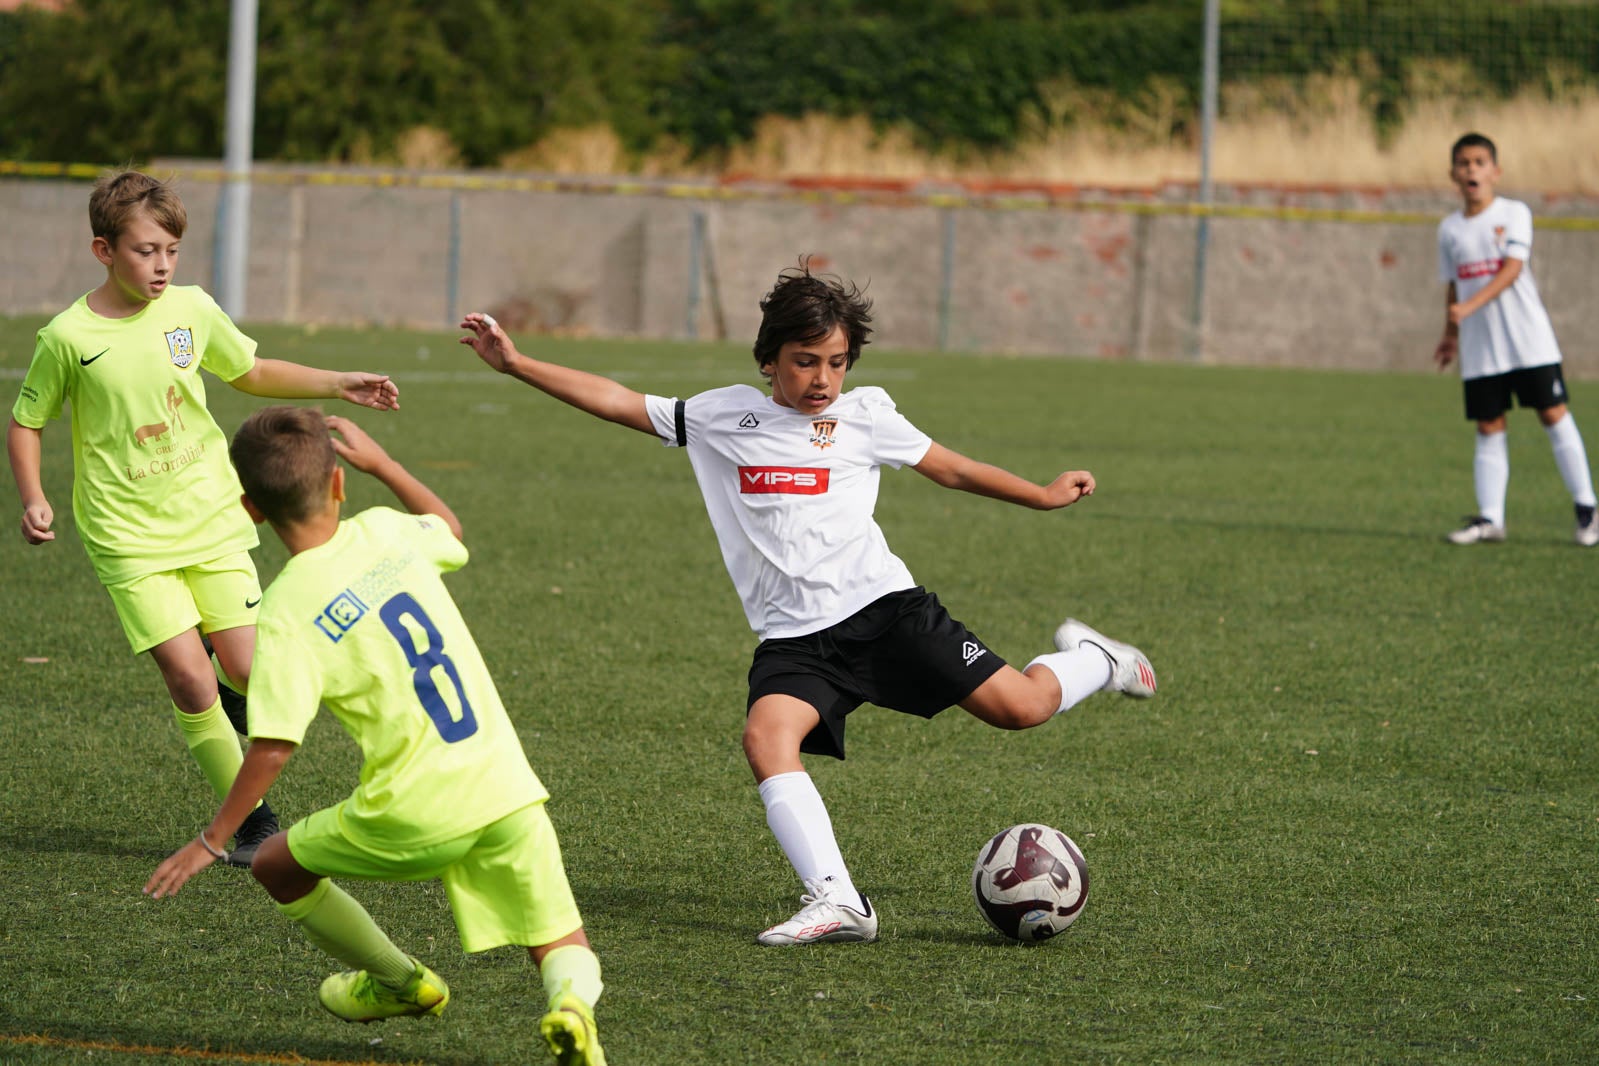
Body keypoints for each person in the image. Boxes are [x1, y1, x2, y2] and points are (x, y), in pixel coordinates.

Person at [457, 262, 1156, 946]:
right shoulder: (719, 415)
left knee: (1022, 709)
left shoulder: (865, 417)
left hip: (887, 614)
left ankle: (1096, 659)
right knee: (765, 738)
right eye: (804, 361)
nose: (821, 378)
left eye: (835, 362)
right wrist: (516, 364)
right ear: (768, 359)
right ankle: (838, 899)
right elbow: (615, 398)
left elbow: (951, 468)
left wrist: (1039, 493)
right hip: (794, 641)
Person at [144, 407, 606, 1065]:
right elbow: (449, 528)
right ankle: (570, 1009)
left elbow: (274, 745)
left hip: (414, 808)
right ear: (339, 483)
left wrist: (212, 840)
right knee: (560, 938)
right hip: (503, 782)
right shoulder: (388, 532)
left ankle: (401, 983)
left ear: (249, 509)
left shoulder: (284, 611)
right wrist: (385, 465)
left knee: (276, 864)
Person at [6, 170, 401, 864]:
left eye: (171, 251)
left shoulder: (190, 309)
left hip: (210, 516)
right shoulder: (68, 336)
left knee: (250, 673)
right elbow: (26, 420)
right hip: (126, 534)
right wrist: (32, 495)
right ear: (103, 251)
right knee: (188, 679)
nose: (160, 266)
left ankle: (230, 690)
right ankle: (252, 826)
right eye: (144, 251)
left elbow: (247, 370)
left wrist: (337, 381)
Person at [1433, 132, 1598, 546]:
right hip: (1480, 347)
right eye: (1464, 163)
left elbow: (1511, 270)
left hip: (1528, 341)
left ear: (1495, 171)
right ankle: (1490, 518)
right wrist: (1450, 335)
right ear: (1453, 173)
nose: (1471, 169)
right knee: (1489, 425)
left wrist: (1469, 310)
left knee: (1552, 413)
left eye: (1479, 162)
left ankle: (1588, 510)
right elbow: (1454, 286)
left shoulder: (1514, 213)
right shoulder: (1449, 230)